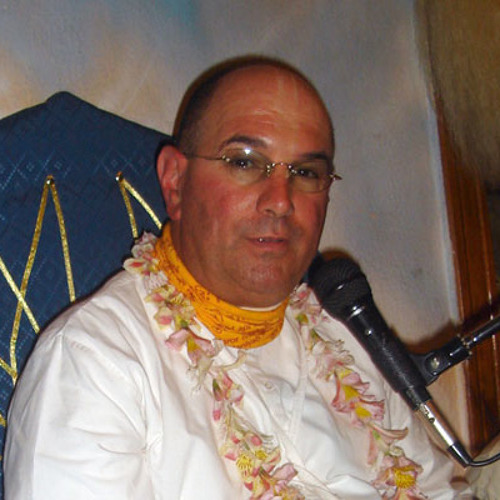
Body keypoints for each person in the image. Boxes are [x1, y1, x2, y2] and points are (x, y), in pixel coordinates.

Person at [4, 57, 469, 499]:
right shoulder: (96, 363)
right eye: (245, 162)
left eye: (307, 172)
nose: (281, 200)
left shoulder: (347, 337)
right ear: (175, 182)